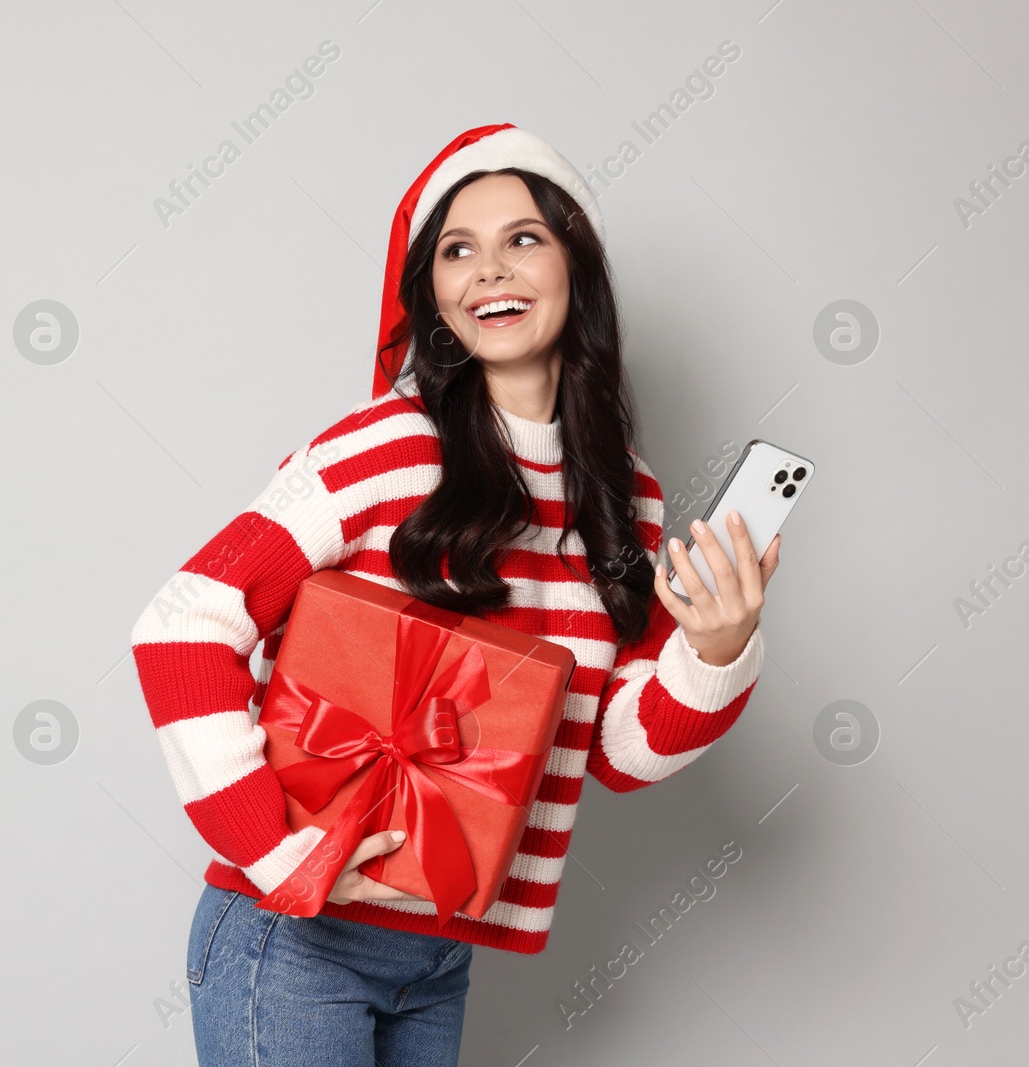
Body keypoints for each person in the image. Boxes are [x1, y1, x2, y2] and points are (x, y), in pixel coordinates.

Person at [128, 122, 780, 1066]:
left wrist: (716, 650)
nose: (489, 272)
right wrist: (274, 850)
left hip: (441, 954)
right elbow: (181, 626)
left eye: (523, 238)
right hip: (295, 943)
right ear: (432, 293)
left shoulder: (623, 494)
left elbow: (620, 750)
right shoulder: (384, 446)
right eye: (456, 250)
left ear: (577, 266)